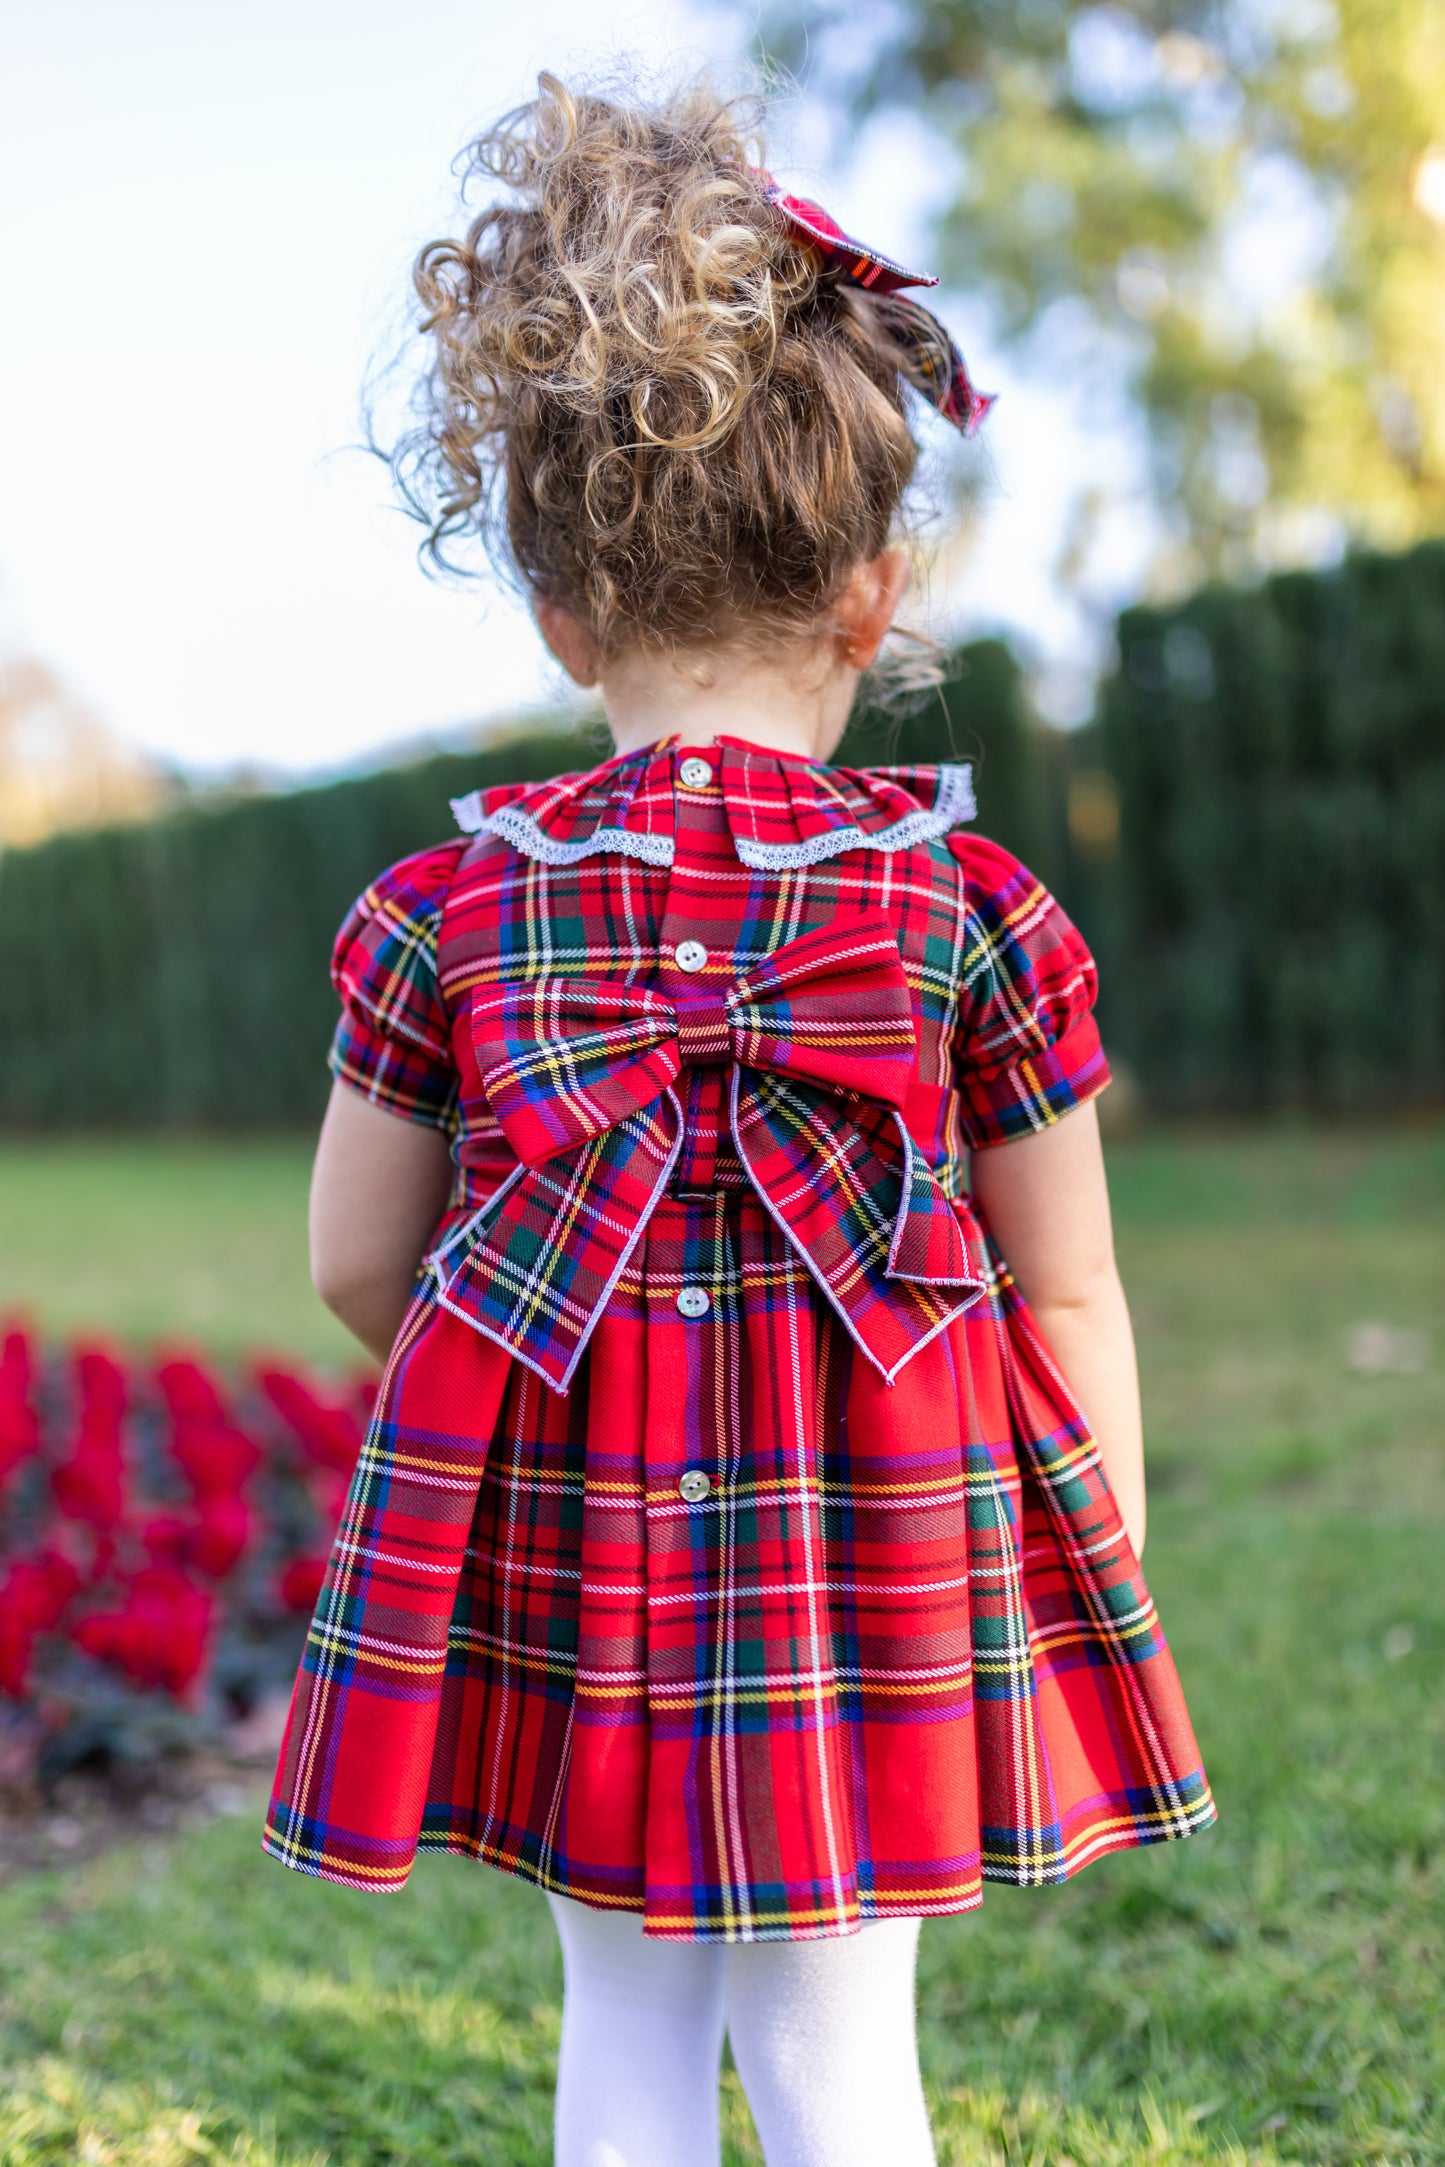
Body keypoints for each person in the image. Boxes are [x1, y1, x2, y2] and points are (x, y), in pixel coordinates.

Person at [264, 72, 1215, 2167]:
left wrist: (544, 1399)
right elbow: (1066, 1276)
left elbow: (353, 1256)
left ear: (559, 615)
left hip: (595, 1557)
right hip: (879, 1570)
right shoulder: (979, 910)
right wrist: (1085, 1546)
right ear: (874, 598)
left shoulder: (442, 908)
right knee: (841, 2057)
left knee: (621, 2033)